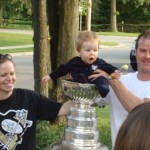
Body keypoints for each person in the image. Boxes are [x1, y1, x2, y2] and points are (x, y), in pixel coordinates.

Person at [88, 29, 150, 149]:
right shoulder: (122, 81)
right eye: (143, 50)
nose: (147, 56)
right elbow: (85, 99)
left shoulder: (116, 83)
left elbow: (141, 110)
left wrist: (112, 80)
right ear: (135, 52)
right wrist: (76, 81)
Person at [0, 53, 74, 150]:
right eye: (3, 75)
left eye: (12, 73)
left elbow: (63, 109)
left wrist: (83, 88)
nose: (9, 78)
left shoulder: (29, 98)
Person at [42, 30, 118, 98]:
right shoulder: (75, 62)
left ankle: (104, 89)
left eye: (95, 50)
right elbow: (62, 69)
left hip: (93, 82)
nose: (92, 53)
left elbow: (110, 68)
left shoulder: (99, 62)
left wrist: (115, 72)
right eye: (88, 50)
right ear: (79, 50)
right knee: (68, 82)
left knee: (101, 78)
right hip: (78, 83)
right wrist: (50, 76)